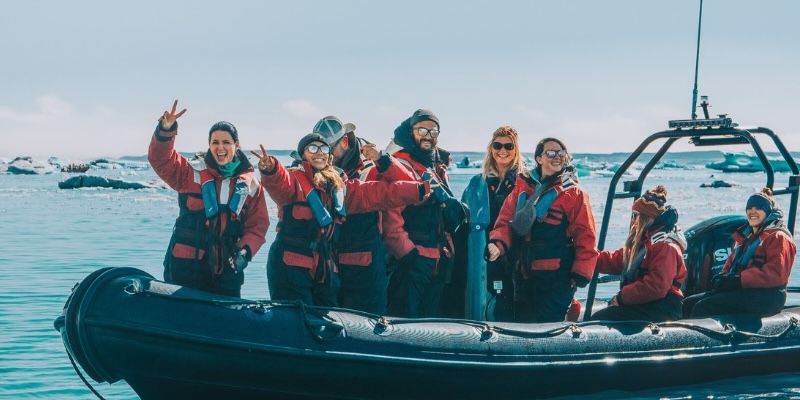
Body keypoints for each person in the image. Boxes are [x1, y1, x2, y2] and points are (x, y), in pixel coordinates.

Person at [252, 132, 432, 307]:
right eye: (312, 148)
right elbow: (279, 183)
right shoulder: (293, 182)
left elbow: (379, 194)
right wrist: (270, 168)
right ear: (303, 155)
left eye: (323, 148)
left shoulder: (340, 188)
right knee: (294, 319)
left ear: (330, 156)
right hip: (290, 265)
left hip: (323, 268)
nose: (319, 152)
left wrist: (419, 190)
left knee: (329, 315)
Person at [148, 99, 270, 297]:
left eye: (225, 142)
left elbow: (258, 226)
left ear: (236, 145)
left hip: (226, 270)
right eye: (215, 142)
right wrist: (166, 129)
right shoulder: (190, 173)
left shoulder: (252, 186)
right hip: (185, 267)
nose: (220, 148)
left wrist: (245, 252)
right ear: (209, 146)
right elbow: (160, 159)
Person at [487, 137, 597, 323]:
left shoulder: (574, 193)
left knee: (546, 327)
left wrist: (580, 274)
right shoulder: (522, 188)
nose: (558, 157)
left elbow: (586, 236)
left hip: (557, 280)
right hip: (525, 277)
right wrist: (497, 244)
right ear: (539, 158)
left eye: (561, 153)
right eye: (551, 153)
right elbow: (505, 221)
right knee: (522, 324)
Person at [314, 115, 417, 314]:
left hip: (366, 264)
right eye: (319, 149)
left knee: (368, 320)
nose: (323, 155)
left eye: (328, 148)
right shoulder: (321, 171)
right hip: (330, 263)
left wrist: (383, 159)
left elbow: (409, 184)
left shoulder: (370, 166)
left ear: (344, 142)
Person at [383, 109, 468, 318]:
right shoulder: (401, 166)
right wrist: (409, 255)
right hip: (411, 263)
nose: (428, 135)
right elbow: (390, 220)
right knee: (404, 322)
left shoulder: (436, 167)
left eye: (433, 131)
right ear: (411, 132)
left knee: (430, 324)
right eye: (422, 129)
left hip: (438, 261)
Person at [683, 188, 796, 318]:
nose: (752, 211)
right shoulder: (746, 238)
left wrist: (738, 280)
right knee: (688, 303)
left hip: (767, 296)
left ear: (768, 212)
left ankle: (702, 338)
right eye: (750, 208)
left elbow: (775, 276)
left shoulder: (778, 237)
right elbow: (729, 266)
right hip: (743, 291)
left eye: (758, 208)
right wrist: (722, 279)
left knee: (704, 306)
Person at [589, 185, 687, 322]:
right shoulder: (646, 243)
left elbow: (657, 286)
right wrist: (587, 256)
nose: (634, 220)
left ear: (646, 218)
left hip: (662, 307)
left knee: (602, 318)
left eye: (636, 216)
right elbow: (617, 260)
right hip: (646, 303)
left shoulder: (665, 246)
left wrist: (622, 297)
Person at [480, 126, 525, 321]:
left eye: (508, 146)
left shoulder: (522, 182)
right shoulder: (482, 181)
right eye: (498, 145)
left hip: (513, 248)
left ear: (516, 150)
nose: (503, 150)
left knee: (509, 291)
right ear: (491, 148)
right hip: (486, 246)